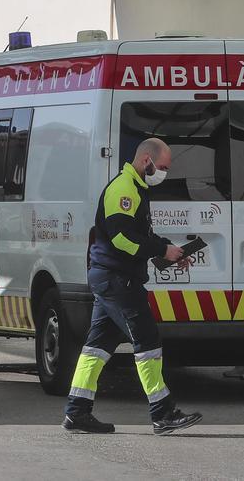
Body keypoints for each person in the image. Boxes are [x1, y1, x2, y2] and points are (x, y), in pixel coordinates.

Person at [62, 138, 202, 436]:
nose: (165, 172)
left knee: (96, 348)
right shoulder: (124, 189)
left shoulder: (136, 188)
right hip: (117, 279)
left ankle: (77, 412)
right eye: (162, 167)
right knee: (147, 341)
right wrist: (161, 251)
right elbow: (121, 239)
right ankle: (163, 413)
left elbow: (140, 235)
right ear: (146, 161)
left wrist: (168, 250)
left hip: (112, 276)